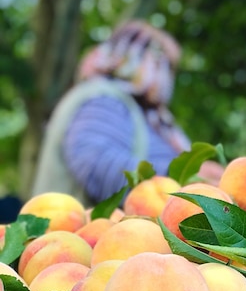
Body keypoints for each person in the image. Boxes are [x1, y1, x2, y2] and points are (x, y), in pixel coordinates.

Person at [31, 19, 221, 206]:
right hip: (84, 234)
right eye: (166, 64)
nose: (168, 78)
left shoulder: (142, 112)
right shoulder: (105, 99)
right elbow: (98, 164)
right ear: (138, 55)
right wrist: (185, 176)